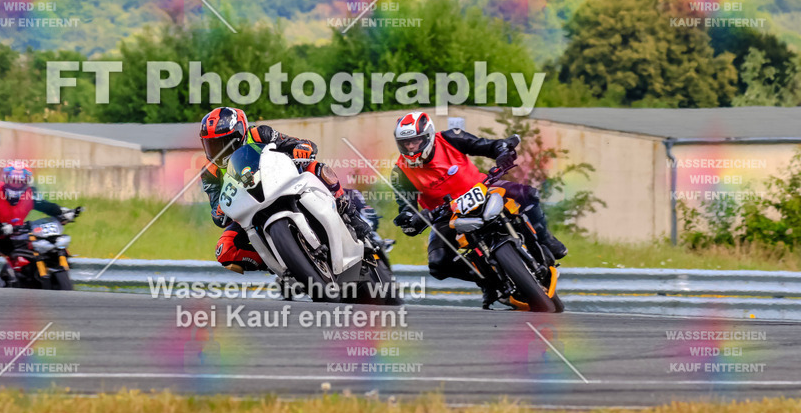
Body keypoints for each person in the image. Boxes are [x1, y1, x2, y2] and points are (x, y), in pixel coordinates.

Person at [388, 111, 567, 309]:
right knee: (438, 264)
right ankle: (488, 282)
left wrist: (503, 151)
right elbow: (406, 205)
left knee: (528, 194)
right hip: (446, 215)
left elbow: (487, 145)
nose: (411, 147)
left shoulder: (450, 138)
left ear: (428, 136)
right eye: (406, 143)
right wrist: (410, 218)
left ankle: (545, 239)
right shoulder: (400, 171)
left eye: (416, 141)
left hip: (483, 188)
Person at [198, 106, 376, 273]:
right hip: (248, 208)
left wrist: (301, 148)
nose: (219, 151)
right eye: (212, 145)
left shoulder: (259, 134)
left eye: (224, 142)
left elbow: (296, 143)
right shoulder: (209, 172)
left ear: (239, 134)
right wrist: (220, 209)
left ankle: (350, 214)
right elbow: (217, 215)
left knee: (315, 166)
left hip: (280, 182)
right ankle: (280, 263)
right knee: (225, 250)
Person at [0, 162, 81, 286]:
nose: (16, 185)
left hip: (17, 234)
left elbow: (48, 207)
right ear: (6, 180)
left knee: (44, 249)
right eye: (13, 181)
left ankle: (35, 277)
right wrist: (2, 228)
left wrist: (65, 212)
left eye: (20, 181)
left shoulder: (30, 193)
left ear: (27, 182)